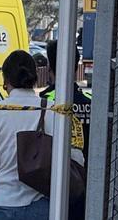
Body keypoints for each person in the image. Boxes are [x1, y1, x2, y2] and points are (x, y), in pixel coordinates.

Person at [0, 50, 85, 220]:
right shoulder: (53, 109)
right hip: (41, 205)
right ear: (34, 77)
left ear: (6, 79)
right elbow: (74, 157)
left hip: (0, 204)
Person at [43, 39, 91, 220]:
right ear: (76, 65)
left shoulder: (45, 102)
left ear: (50, 66)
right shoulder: (88, 101)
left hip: (51, 182)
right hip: (84, 180)